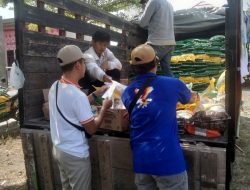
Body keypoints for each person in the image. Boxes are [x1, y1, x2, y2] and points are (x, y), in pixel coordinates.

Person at [122, 44, 198, 190]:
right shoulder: (173, 84)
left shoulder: (127, 92)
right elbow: (190, 99)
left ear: (133, 67)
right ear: (156, 63)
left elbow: (140, 110)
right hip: (168, 161)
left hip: (141, 162)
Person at [49, 45, 112, 190]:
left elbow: (73, 106)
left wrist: (96, 93)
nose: (85, 66)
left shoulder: (55, 86)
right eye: (84, 63)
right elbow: (91, 129)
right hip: (75, 154)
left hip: (59, 149)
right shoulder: (77, 96)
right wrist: (104, 108)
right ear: (78, 65)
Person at [138, 0, 175, 77]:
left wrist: (143, 10)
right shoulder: (169, 4)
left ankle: (146, 88)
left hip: (157, 42)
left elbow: (142, 23)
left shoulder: (153, 2)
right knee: (167, 71)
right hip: (170, 42)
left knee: (148, 70)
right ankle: (175, 88)